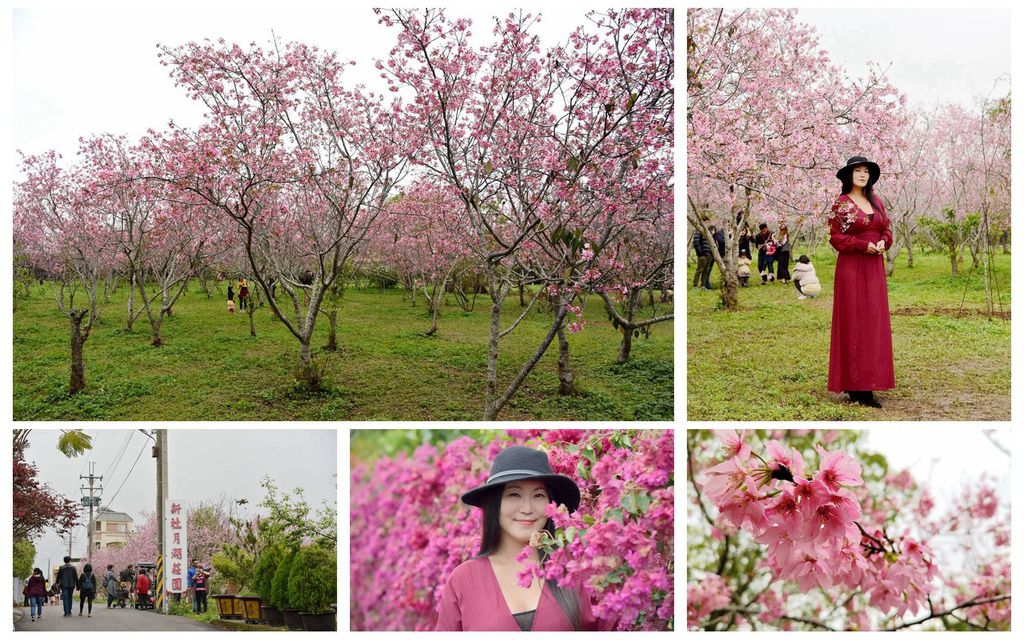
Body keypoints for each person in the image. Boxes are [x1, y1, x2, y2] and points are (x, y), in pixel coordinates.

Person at [435, 445, 617, 631]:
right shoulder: (463, 580)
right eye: (514, 494)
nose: (527, 508)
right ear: (494, 504)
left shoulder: (576, 571)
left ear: (551, 504)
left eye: (538, 495)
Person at [828, 155, 895, 408]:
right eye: (858, 171)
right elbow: (835, 238)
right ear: (849, 175)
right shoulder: (841, 204)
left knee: (873, 322)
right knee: (853, 323)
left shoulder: (875, 201)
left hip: (874, 268)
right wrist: (860, 245)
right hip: (852, 268)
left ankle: (869, 379)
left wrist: (882, 242)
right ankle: (857, 387)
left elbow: (886, 229)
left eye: (866, 171)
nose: (862, 175)